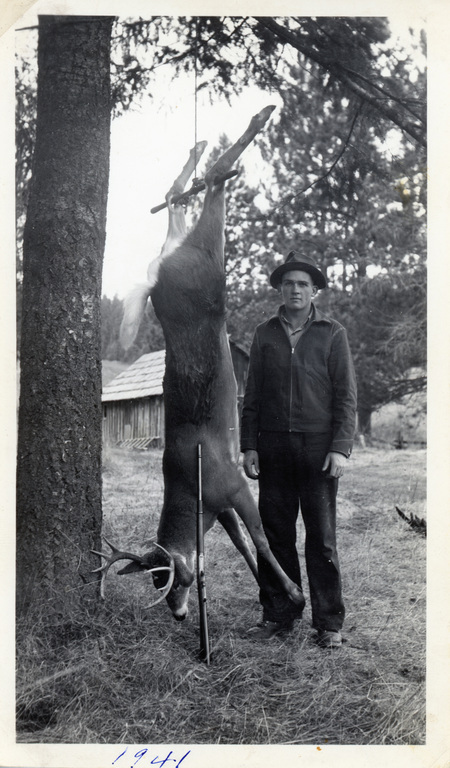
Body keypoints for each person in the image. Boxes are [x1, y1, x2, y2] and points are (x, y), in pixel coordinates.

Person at [240, 251, 357, 648]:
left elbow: (346, 397)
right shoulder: (264, 333)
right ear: (280, 288)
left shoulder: (332, 332)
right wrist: (248, 446)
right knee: (275, 535)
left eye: (303, 284)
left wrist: (340, 448)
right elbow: (251, 395)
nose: (295, 289)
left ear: (315, 290)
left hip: (318, 449)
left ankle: (328, 623)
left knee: (321, 537)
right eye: (288, 283)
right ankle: (278, 614)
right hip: (272, 449)